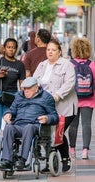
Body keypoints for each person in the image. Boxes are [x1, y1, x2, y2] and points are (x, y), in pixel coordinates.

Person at [33, 39, 78, 173]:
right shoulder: (42, 65)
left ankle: (64, 158)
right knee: (47, 134)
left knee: (58, 132)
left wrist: (56, 95)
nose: (50, 52)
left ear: (59, 52)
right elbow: (34, 81)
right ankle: (50, 161)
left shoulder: (67, 65)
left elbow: (69, 83)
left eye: (53, 50)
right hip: (46, 107)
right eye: (48, 49)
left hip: (65, 106)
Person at [0, 77, 59, 171]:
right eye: (24, 88)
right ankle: (7, 160)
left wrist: (47, 118)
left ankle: (22, 160)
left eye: (28, 88)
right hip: (19, 124)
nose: (26, 91)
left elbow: (55, 116)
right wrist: (7, 114)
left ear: (36, 88)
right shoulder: (19, 96)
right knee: (8, 127)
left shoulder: (46, 97)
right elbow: (12, 109)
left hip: (35, 125)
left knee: (28, 127)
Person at [0, 38, 26, 160]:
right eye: (8, 47)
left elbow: (22, 84)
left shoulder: (20, 65)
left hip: (12, 97)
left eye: (13, 47)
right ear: (4, 48)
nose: (11, 49)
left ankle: (9, 150)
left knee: (10, 126)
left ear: (16, 49)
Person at [68, 37, 95, 159]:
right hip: (89, 98)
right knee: (86, 124)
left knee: (73, 124)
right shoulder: (93, 65)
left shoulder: (70, 64)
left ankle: (72, 149)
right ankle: (85, 151)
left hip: (74, 98)